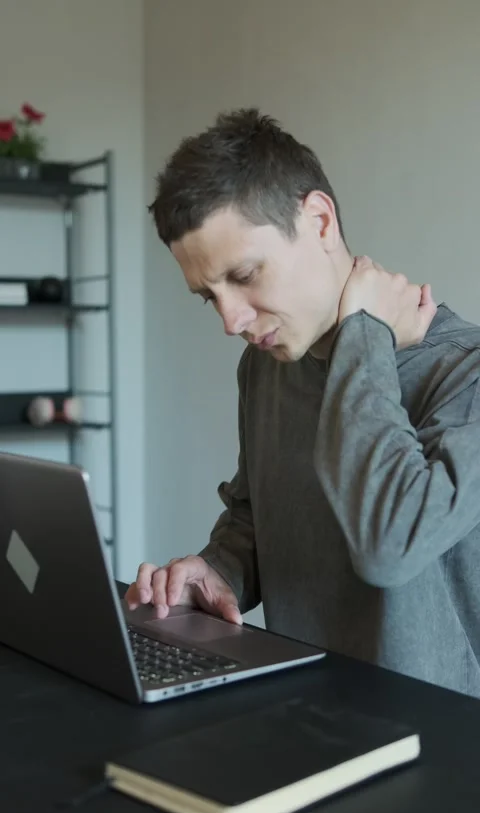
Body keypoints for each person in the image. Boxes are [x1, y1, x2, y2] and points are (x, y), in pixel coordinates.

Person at [126, 108, 480, 697]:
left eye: (245, 275)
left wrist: (363, 335)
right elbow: (261, 516)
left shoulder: (467, 372)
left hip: (440, 738)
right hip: (305, 710)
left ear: (318, 221)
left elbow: (390, 544)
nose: (231, 320)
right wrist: (217, 571)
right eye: (208, 296)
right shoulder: (263, 367)